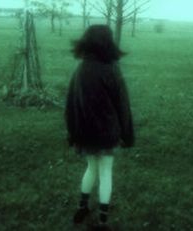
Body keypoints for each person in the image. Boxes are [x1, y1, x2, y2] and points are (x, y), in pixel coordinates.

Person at [65, 25, 134, 231]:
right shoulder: (112, 69)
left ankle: (82, 207)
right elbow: (123, 105)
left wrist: (72, 133)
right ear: (108, 42)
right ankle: (103, 221)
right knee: (105, 173)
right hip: (107, 134)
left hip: (85, 133)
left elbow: (70, 106)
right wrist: (128, 135)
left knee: (91, 168)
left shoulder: (80, 69)